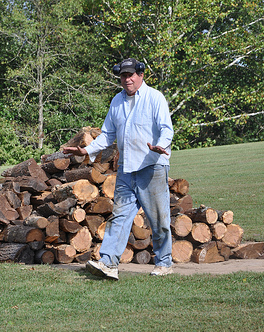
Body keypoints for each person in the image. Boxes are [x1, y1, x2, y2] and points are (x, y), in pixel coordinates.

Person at [63, 58, 174, 280]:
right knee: (119, 217)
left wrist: (161, 145)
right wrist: (87, 151)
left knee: (158, 219)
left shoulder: (155, 98)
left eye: (131, 75)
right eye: (123, 76)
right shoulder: (117, 101)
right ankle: (109, 263)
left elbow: (166, 128)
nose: (127, 79)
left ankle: (164, 263)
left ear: (141, 75)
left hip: (151, 167)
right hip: (126, 169)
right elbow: (107, 134)